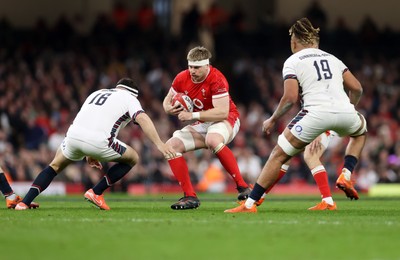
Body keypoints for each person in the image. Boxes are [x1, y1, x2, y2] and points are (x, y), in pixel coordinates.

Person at [225, 17, 367, 213]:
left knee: (278, 154)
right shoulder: (334, 59)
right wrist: (349, 107)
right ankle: (346, 173)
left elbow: (290, 98)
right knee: (360, 133)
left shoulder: (293, 60)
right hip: (346, 112)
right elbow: (357, 88)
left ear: (294, 41)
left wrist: (273, 119)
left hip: (315, 113)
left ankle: (250, 204)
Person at [15, 78, 176, 210]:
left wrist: (88, 152)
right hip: (99, 141)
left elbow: (90, 121)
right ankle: (96, 192)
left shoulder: (97, 93)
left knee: (54, 166)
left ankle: (24, 203)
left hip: (73, 135)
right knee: (133, 157)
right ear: (134, 94)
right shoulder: (129, 98)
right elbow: (142, 118)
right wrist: (159, 144)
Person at [163, 46, 251, 210]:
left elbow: (222, 112)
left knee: (212, 139)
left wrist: (192, 116)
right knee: (170, 147)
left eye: (196, 67)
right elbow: (166, 102)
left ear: (207, 66)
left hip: (226, 118)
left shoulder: (217, 79)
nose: (192, 71)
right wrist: (169, 108)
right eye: (190, 66)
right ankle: (190, 196)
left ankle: (243, 186)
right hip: (204, 121)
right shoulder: (182, 77)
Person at [255, 131, 338, 210]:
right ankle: (261, 194)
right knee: (284, 153)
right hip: (312, 124)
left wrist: (319, 132)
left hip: (324, 124)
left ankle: (328, 201)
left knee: (310, 156)